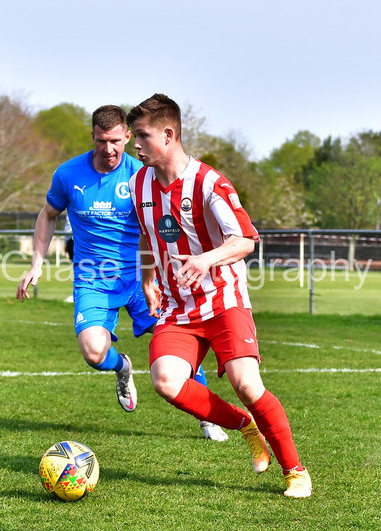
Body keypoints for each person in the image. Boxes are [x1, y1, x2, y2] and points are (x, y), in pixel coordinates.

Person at [127, 94, 312, 498]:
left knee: (246, 383)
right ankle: (245, 425)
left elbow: (245, 240)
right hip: (178, 306)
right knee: (165, 380)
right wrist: (148, 278)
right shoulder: (138, 184)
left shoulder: (209, 183)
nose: (134, 145)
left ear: (168, 134)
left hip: (223, 299)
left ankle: (295, 470)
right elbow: (146, 234)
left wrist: (205, 259)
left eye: (141, 136)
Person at [17, 105, 228, 441]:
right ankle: (123, 367)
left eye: (115, 141)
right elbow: (47, 214)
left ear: (128, 137)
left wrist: (172, 267)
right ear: (92, 136)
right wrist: (36, 263)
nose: (109, 148)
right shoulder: (68, 174)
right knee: (93, 352)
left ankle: (207, 417)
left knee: (180, 348)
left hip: (144, 279)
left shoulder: (142, 175)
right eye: (102, 141)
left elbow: (162, 223)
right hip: (92, 280)